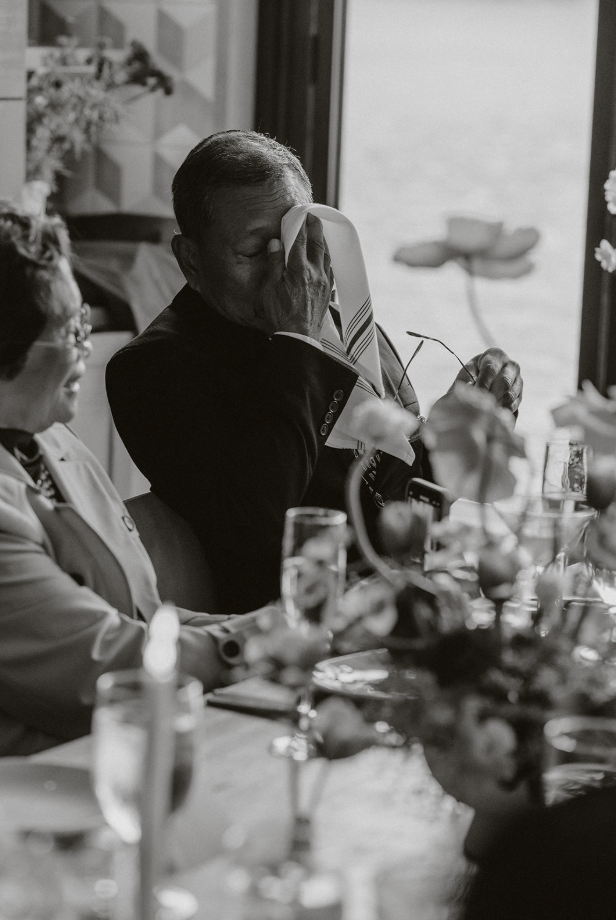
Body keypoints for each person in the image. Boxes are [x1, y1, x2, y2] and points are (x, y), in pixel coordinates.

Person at [106, 130, 523, 617]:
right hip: (286, 627)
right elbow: (257, 526)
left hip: (404, 604)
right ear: (191, 261)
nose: (289, 272)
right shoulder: (152, 370)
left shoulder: (350, 327)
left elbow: (402, 498)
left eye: (295, 240)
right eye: (254, 252)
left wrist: (462, 427)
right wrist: (298, 339)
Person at [0, 204, 257, 757]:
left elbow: (139, 617)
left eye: (85, 321)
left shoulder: (49, 439)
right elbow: (103, 663)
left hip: (111, 750)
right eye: (70, 329)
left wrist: (268, 629)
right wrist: (262, 641)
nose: (87, 345)